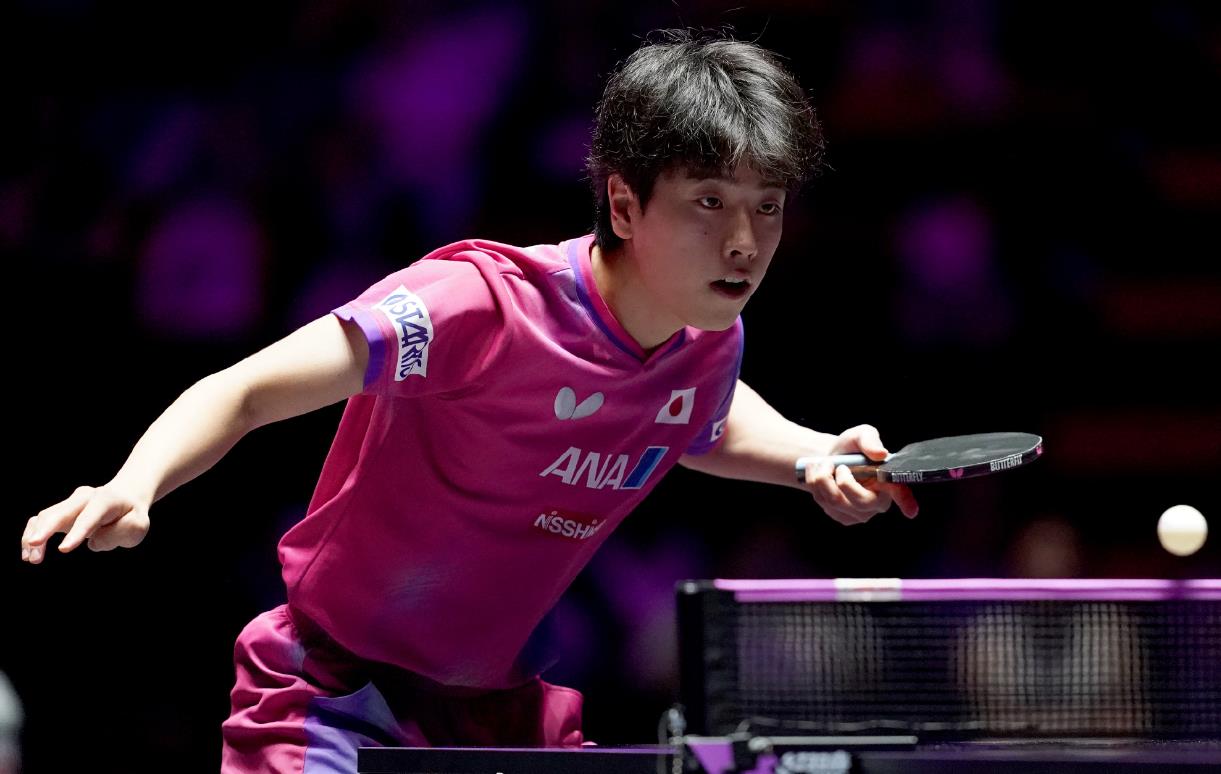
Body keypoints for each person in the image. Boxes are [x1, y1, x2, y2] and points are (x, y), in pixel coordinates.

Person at [21, 29, 918, 774]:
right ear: (622, 203)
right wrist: (135, 483)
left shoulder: (706, 340)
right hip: (332, 695)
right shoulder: (475, 307)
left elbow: (704, 416)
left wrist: (812, 455)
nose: (744, 241)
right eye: (709, 202)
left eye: (768, 206)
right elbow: (247, 389)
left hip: (494, 712)